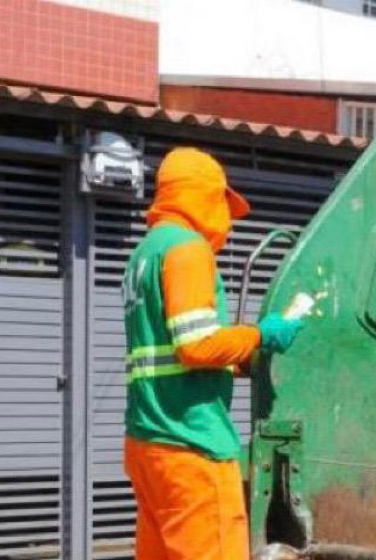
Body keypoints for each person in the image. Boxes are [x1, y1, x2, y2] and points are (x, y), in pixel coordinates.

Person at [121, 147, 304, 560]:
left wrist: (235, 358)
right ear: (204, 197)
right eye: (224, 206)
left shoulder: (144, 254)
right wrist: (260, 334)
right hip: (191, 444)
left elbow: (164, 350)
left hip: (149, 445)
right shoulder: (187, 250)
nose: (229, 226)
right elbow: (195, 345)